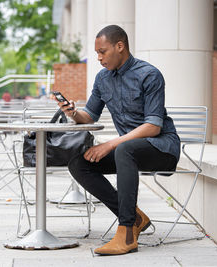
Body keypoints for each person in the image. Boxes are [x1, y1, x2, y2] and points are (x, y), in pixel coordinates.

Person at [56, 25, 180, 255]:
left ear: (120, 46)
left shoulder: (149, 75)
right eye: (97, 53)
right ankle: (135, 218)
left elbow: (153, 127)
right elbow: (89, 116)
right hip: (129, 150)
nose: (99, 58)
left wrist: (111, 143)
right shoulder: (103, 79)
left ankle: (126, 234)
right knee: (79, 162)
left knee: (124, 149)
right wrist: (72, 113)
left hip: (162, 149)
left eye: (102, 51)